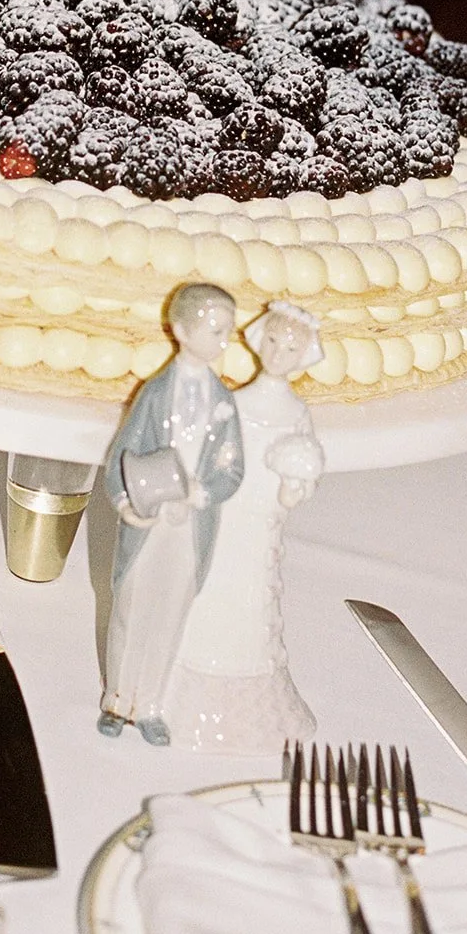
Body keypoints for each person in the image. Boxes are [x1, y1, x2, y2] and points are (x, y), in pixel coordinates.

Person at [164, 300, 325, 753]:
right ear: (258, 341)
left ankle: (248, 696)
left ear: (305, 354)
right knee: (211, 584)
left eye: (290, 347)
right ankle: (184, 682)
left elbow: (302, 471)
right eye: (272, 341)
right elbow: (213, 452)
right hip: (225, 511)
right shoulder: (235, 402)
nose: (278, 353)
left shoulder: (296, 414)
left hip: (262, 522)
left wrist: (295, 486)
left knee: (251, 595)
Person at [97, 283, 244, 746]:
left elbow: (232, 466)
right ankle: (118, 699)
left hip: (190, 525)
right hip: (149, 520)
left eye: (228, 331)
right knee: (131, 607)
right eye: (216, 330)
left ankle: (152, 704)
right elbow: (122, 451)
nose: (224, 341)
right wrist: (124, 502)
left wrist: (205, 492)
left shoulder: (224, 402)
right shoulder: (155, 393)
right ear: (181, 330)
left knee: (170, 611)